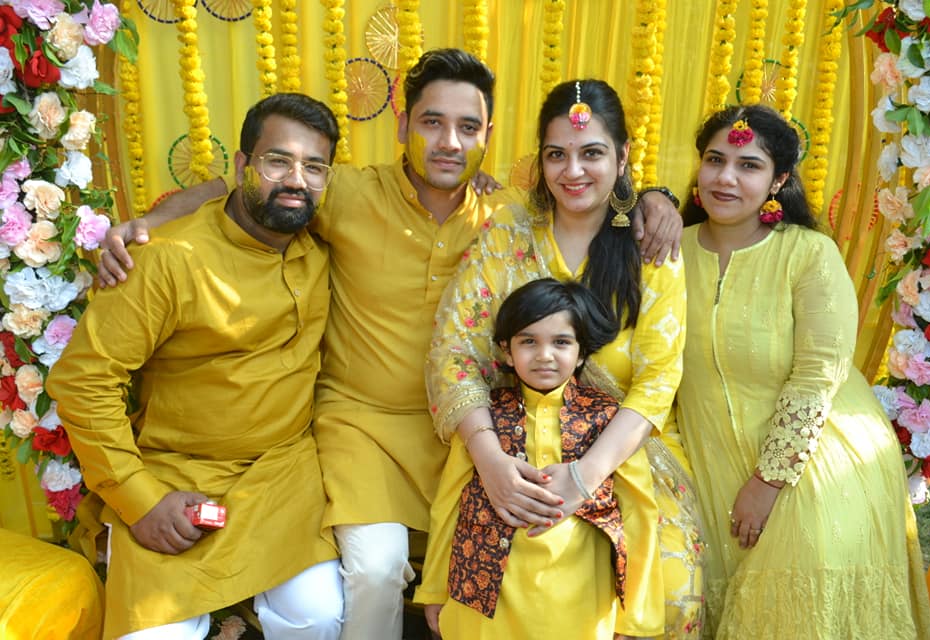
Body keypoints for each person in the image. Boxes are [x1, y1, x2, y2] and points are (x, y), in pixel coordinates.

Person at [96, 50, 685, 640]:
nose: (449, 142)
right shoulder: (340, 191)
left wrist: (652, 198)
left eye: (468, 127)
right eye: (432, 122)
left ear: (488, 136)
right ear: (402, 125)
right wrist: (147, 226)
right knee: (376, 568)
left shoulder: (504, 216)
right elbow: (242, 186)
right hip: (362, 427)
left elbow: (598, 196)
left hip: (476, 433)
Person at [46, 93, 344, 639]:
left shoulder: (321, 241)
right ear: (240, 165)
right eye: (277, 160)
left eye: (314, 166)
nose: (296, 179)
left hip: (282, 479)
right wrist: (141, 499)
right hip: (176, 478)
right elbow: (83, 381)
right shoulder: (163, 260)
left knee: (320, 614)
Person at [420, 79, 703, 638]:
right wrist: (493, 465)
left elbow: (657, 378)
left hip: (621, 455)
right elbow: (455, 353)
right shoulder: (507, 232)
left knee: (668, 593)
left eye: (592, 153)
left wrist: (584, 476)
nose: (573, 172)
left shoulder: (649, 246)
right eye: (557, 155)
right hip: (509, 451)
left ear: (623, 157)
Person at [676, 103, 930, 639]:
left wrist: (768, 481)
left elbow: (820, 374)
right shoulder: (667, 252)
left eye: (749, 165)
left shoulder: (808, 254)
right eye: (714, 159)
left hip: (813, 461)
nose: (726, 177)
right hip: (711, 464)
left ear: (779, 179)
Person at [418, 277, 663, 639]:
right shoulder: (483, 421)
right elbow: (449, 504)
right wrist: (435, 589)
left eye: (561, 342)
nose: (544, 355)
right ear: (506, 350)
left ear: (581, 353)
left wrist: (636, 617)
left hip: (580, 599)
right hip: (486, 599)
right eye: (528, 341)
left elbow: (640, 513)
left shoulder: (607, 419)